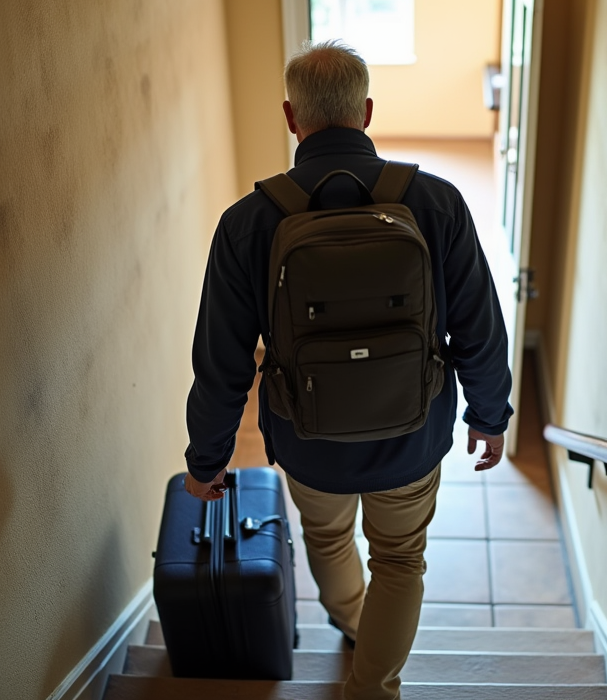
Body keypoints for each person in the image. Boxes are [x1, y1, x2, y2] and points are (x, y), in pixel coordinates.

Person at [183, 40, 513, 700]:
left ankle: (356, 623)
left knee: (327, 537)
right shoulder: (437, 202)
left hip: (309, 441)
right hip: (411, 435)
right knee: (400, 558)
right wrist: (489, 413)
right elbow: (478, 323)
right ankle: (374, 687)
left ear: (290, 116)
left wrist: (207, 458)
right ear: (365, 111)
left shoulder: (248, 223)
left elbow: (221, 364)